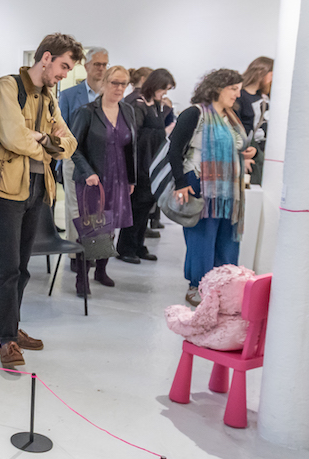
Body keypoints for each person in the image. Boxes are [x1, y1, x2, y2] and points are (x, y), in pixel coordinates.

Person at [0, 33, 82, 369]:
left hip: (38, 188)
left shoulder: (49, 98)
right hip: (8, 189)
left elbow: (69, 143)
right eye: (62, 66)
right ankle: (5, 339)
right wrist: (48, 144)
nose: (63, 74)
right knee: (7, 268)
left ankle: (9, 327)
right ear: (46, 57)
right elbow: (12, 137)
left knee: (24, 267)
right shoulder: (7, 87)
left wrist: (43, 138)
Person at [170, 69, 257, 306]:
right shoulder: (194, 113)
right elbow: (174, 150)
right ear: (218, 88)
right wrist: (181, 183)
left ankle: (222, 287)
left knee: (227, 238)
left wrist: (248, 153)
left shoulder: (231, 116)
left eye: (238, 89)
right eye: (233, 89)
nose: (237, 95)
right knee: (202, 238)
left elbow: (237, 146)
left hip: (229, 189)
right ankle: (197, 285)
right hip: (200, 184)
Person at [70, 65, 138, 296]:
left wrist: (132, 179)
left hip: (119, 178)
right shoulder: (87, 112)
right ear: (104, 83)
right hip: (93, 180)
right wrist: (87, 172)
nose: (119, 88)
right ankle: (82, 277)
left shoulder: (128, 110)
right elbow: (73, 147)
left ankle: (101, 270)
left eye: (123, 83)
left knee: (109, 228)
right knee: (92, 230)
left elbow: (131, 148)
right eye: (115, 83)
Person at [116, 68, 176, 263]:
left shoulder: (156, 105)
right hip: (141, 162)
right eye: (164, 89)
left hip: (152, 162)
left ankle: (139, 245)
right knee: (136, 207)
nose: (165, 94)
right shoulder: (138, 103)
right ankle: (126, 248)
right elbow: (134, 134)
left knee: (146, 207)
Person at [58, 47, 109, 266]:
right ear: (86, 66)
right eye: (97, 64)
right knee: (76, 209)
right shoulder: (70, 95)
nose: (101, 68)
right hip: (75, 159)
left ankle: (97, 255)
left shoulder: (110, 95)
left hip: (103, 161)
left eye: (104, 64)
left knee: (101, 209)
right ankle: (76, 255)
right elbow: (61, 129)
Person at [236, 56, 273, 185]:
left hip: (261, 152)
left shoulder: (266, 97)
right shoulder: (239, 96)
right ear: (261, 72)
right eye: (271, 75)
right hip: (243, 151)